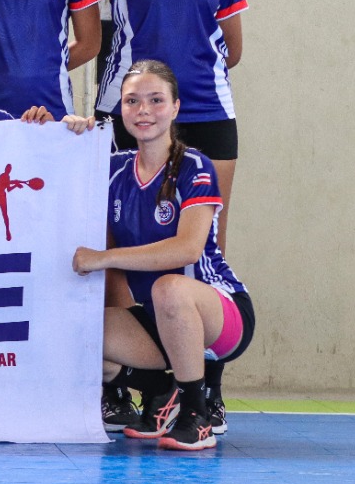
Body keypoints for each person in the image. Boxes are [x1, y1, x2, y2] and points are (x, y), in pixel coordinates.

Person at [92, 0, 247, 424]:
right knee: (117, 238)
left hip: (205, 112)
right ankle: (140, 385)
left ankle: (204, 387)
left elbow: (232, 49)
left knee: (205, 246)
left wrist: (187, 88)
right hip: (128, 113)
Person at [72, 60, 252, 451]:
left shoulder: (194, 166)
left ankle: (196, 416)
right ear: (120, 109)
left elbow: (187, 248)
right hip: (159, 319)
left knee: (169, 287)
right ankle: (161, 388)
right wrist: (64, 132)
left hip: (220, 315)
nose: (144, 110)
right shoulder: (114, 169)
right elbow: (57, 169)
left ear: (175, 107)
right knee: (75, 327)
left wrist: (105, 257)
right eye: (132, 101)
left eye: (156, 100)